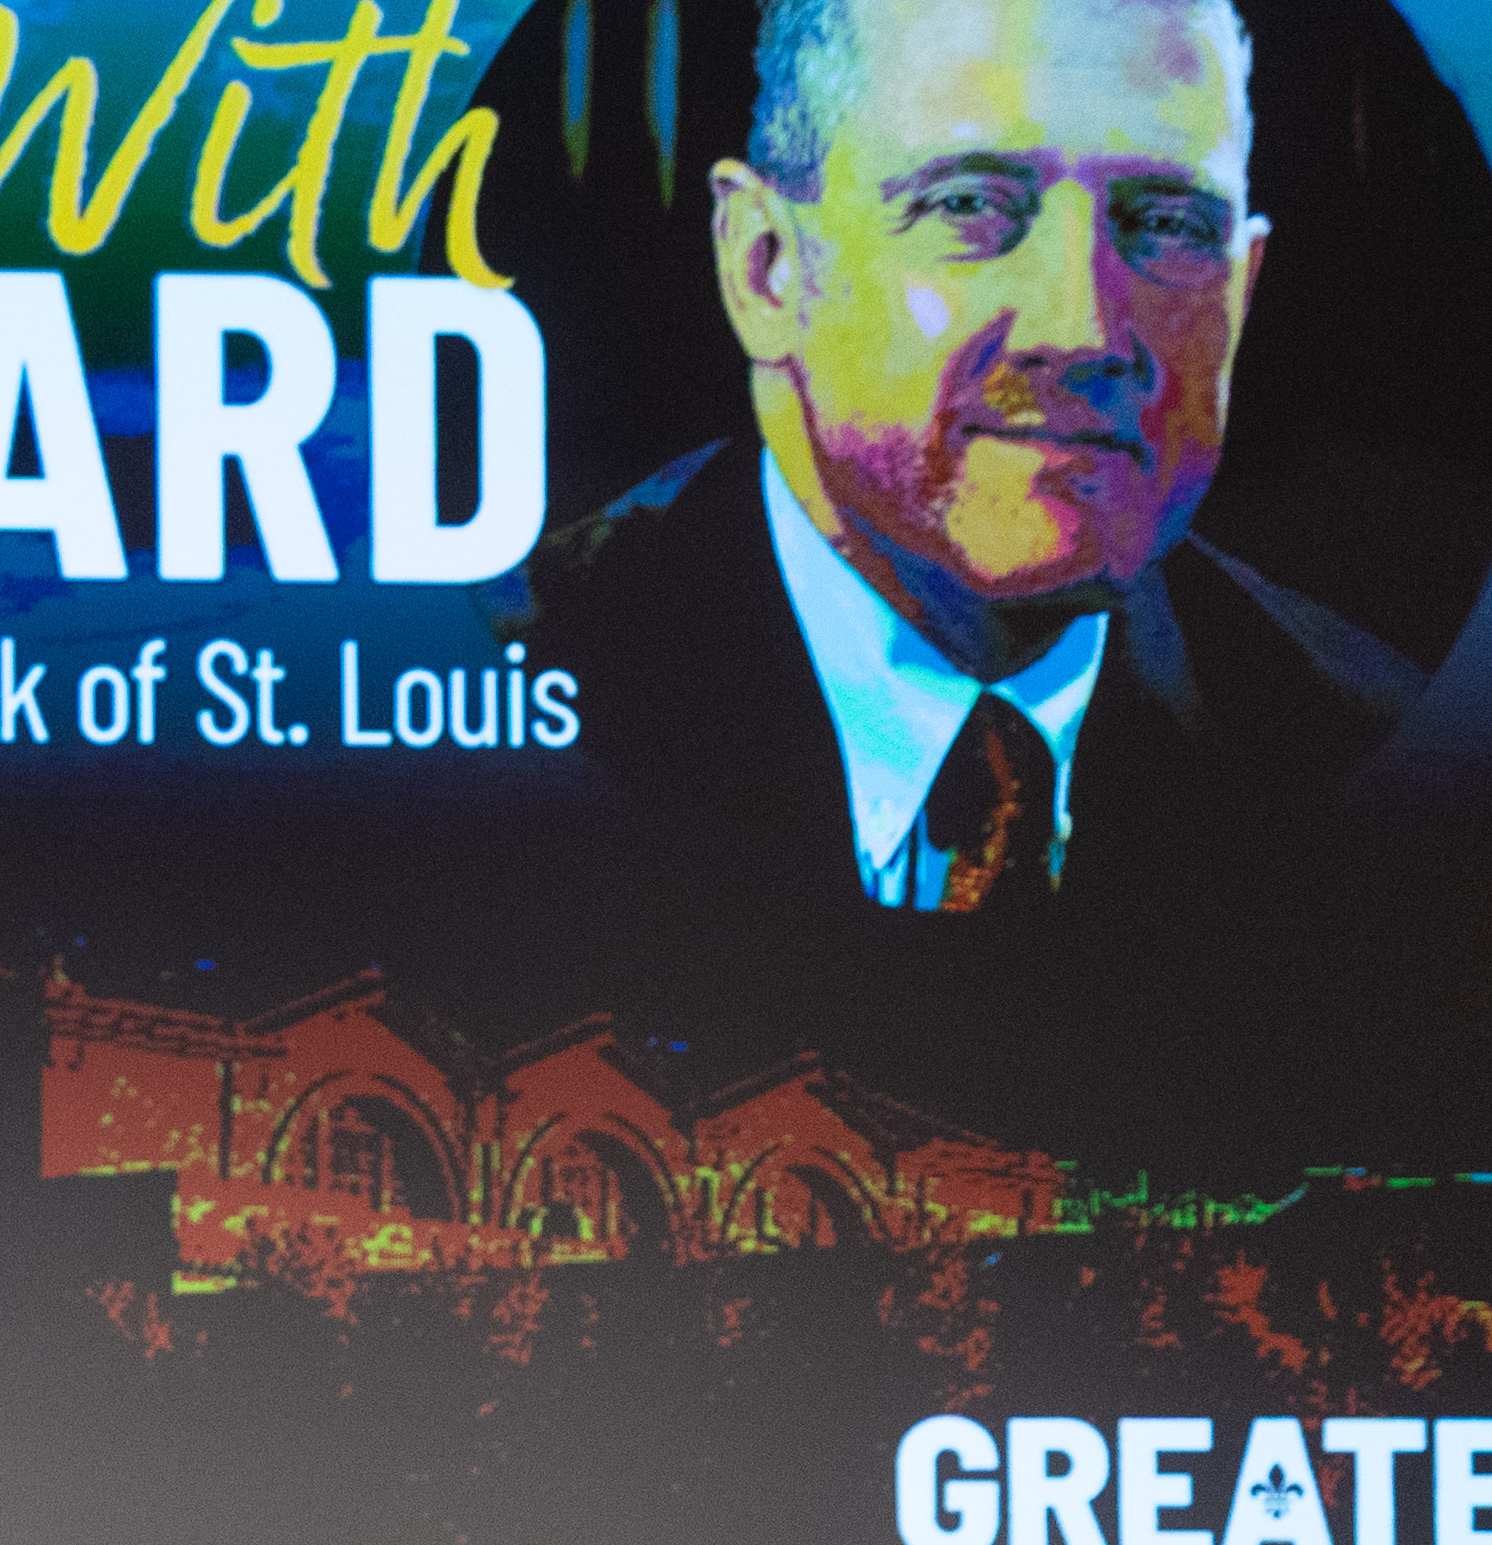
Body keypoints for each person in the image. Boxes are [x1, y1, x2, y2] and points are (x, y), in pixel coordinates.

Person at [526, 0, 1420, 921]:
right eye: (969, 206)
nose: (1080, 329)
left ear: (1240, 288)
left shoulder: (1359, 726)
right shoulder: (526, 682)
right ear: (764, 267)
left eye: (1166, 224)